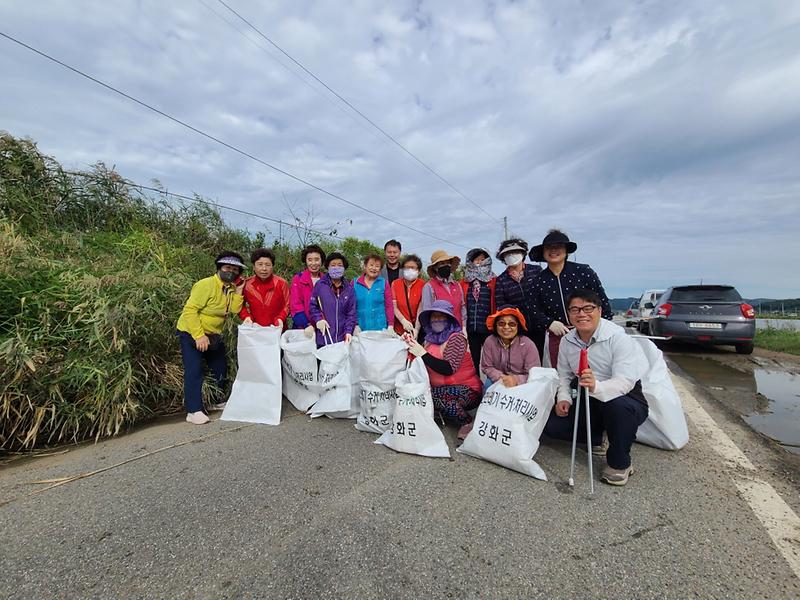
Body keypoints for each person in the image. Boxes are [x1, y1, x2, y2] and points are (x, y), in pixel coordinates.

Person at [543, 289, 649, 486]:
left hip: (623, 398)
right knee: (551, 426)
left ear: (599, 310)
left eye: (588, 308)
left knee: (616, 408)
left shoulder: (618, 338)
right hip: (585, 398)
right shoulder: (567, 340)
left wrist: (597, 386)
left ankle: (620, 462)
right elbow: (564, 375)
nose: (581, 314)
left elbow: (625, 381)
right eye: (574, 309)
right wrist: (563, 398)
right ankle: (598, 437)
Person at [176, 251, 246, 425]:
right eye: (227, 267)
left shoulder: (230, 288)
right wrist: (199, 336)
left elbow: (235, 311)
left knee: (220, 367)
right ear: (219, 268)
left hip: (213, 335)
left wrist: (238, 291)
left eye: (235, 269)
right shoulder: (205, 285)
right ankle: (193, 410)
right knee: (194, 370)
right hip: (191, 333)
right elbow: (190, 310)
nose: (231, 272)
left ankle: (215, 401)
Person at [528, 229, 613, 367]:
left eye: (558, 247)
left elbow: (602, 301)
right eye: (549, 248)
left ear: (566, 250)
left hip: (590, 331)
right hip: (558, 336)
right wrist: (549, 323)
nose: (553, 250)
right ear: (543, 253)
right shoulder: (538, 281)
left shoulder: (584, 272)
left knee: (596, 369)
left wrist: (603, 328)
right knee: (563, 373)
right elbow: (532, 310)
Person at [404, 300, 482, 440]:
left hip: (468, 390)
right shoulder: (429, 340)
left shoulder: (457, 338)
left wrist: (423, 353)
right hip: (440, 389)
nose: (437, 319)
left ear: (449, 319)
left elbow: (448, 369)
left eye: (441, 316)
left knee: (436, 397)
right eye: (434, 316)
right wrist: (409, 345)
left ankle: (468, 421)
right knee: (418, 395)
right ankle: (447, 412)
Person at [493, 238, 543, 354]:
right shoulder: (501, 280)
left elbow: (544, 296)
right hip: (518, 329)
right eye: (508, 253)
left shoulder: (536, 271)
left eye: (515, 252)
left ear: (523, 253)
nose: (512, 255)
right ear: (503, 257)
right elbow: (502, 306)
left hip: (541, 324)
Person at [480, 306, 541, 388]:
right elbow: (487, 366)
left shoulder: (528, 345)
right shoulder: (489, 341)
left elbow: (534, 373)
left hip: (522, 383)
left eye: (511, 324)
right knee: (488, 385)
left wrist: (515, 380)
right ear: (496, 325)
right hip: (498, 380)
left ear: (518, 326)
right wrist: (503, 378)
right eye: (501, 323)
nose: (506, 327)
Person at [460, 248, 496, 374]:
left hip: (488, 328)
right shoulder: (464, 282)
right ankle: (475, 386)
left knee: (491, 360)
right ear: (471, 261)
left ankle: (492, 385)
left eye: (482, 259)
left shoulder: (493, 280)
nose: (479, 262)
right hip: (471, 329)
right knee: (473, 360)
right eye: (477, 259)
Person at [309, 252, 357, 347]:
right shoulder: (320, 285)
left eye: (339, 265)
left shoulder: (349, 289)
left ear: (344, 268)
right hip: (324, 337)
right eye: (333, 265)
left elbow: (351, 313)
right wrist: (318, 320)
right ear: (328, 267)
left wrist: (348, 332)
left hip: (342, 340)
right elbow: (313, 306)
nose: (336, 268)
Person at [239, 248, 290, 328]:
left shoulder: (282, 283)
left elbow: (288, 304)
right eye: (260, 264)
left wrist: (280, 318)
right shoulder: (247, 284)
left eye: (268, 265)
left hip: (278, 330)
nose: (264, 269)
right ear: (253, 267)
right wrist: (246, 317)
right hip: (255, 330)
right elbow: (240, 304)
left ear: (272, 266)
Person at [420, 250, 467, 330]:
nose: (446, 265)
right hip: (439, 333)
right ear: (435, 267)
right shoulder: (429, 286)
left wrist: (464, 328)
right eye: (442, 264)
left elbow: (462, 308)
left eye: (447, 263)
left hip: (457, 331)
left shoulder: (457, 285)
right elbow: (427, 313)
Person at [290, 244, 325, 333]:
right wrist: (306, 325)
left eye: (317, 259)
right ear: (305, 261)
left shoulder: (326, 281)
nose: (313, 263)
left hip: (323, 327)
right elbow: (295, 305)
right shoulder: (298, 279)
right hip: (303, 328)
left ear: (321, 261)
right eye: (310, 260)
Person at [354, 253, 394, 331]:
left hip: (380, 328)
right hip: (360, 328)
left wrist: (391, 325)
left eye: (377, 266)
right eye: (371, 265)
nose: (374, 268)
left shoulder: (384, 283)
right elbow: (351, 306)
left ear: (380, 269)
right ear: (365, 266)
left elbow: (389, 305)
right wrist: (355, 324)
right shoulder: (355, 283)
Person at [392, 254, 425, 336]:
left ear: (418, 270)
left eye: (413, 267)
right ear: (403, 269)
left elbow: (420, 309)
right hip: (398, 330)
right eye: (407, 267)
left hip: (416, 328)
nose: (410, 270)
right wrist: (403, 321)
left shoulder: (423, 285)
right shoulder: (395, 284)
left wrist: (416, 329)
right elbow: (394, 306)